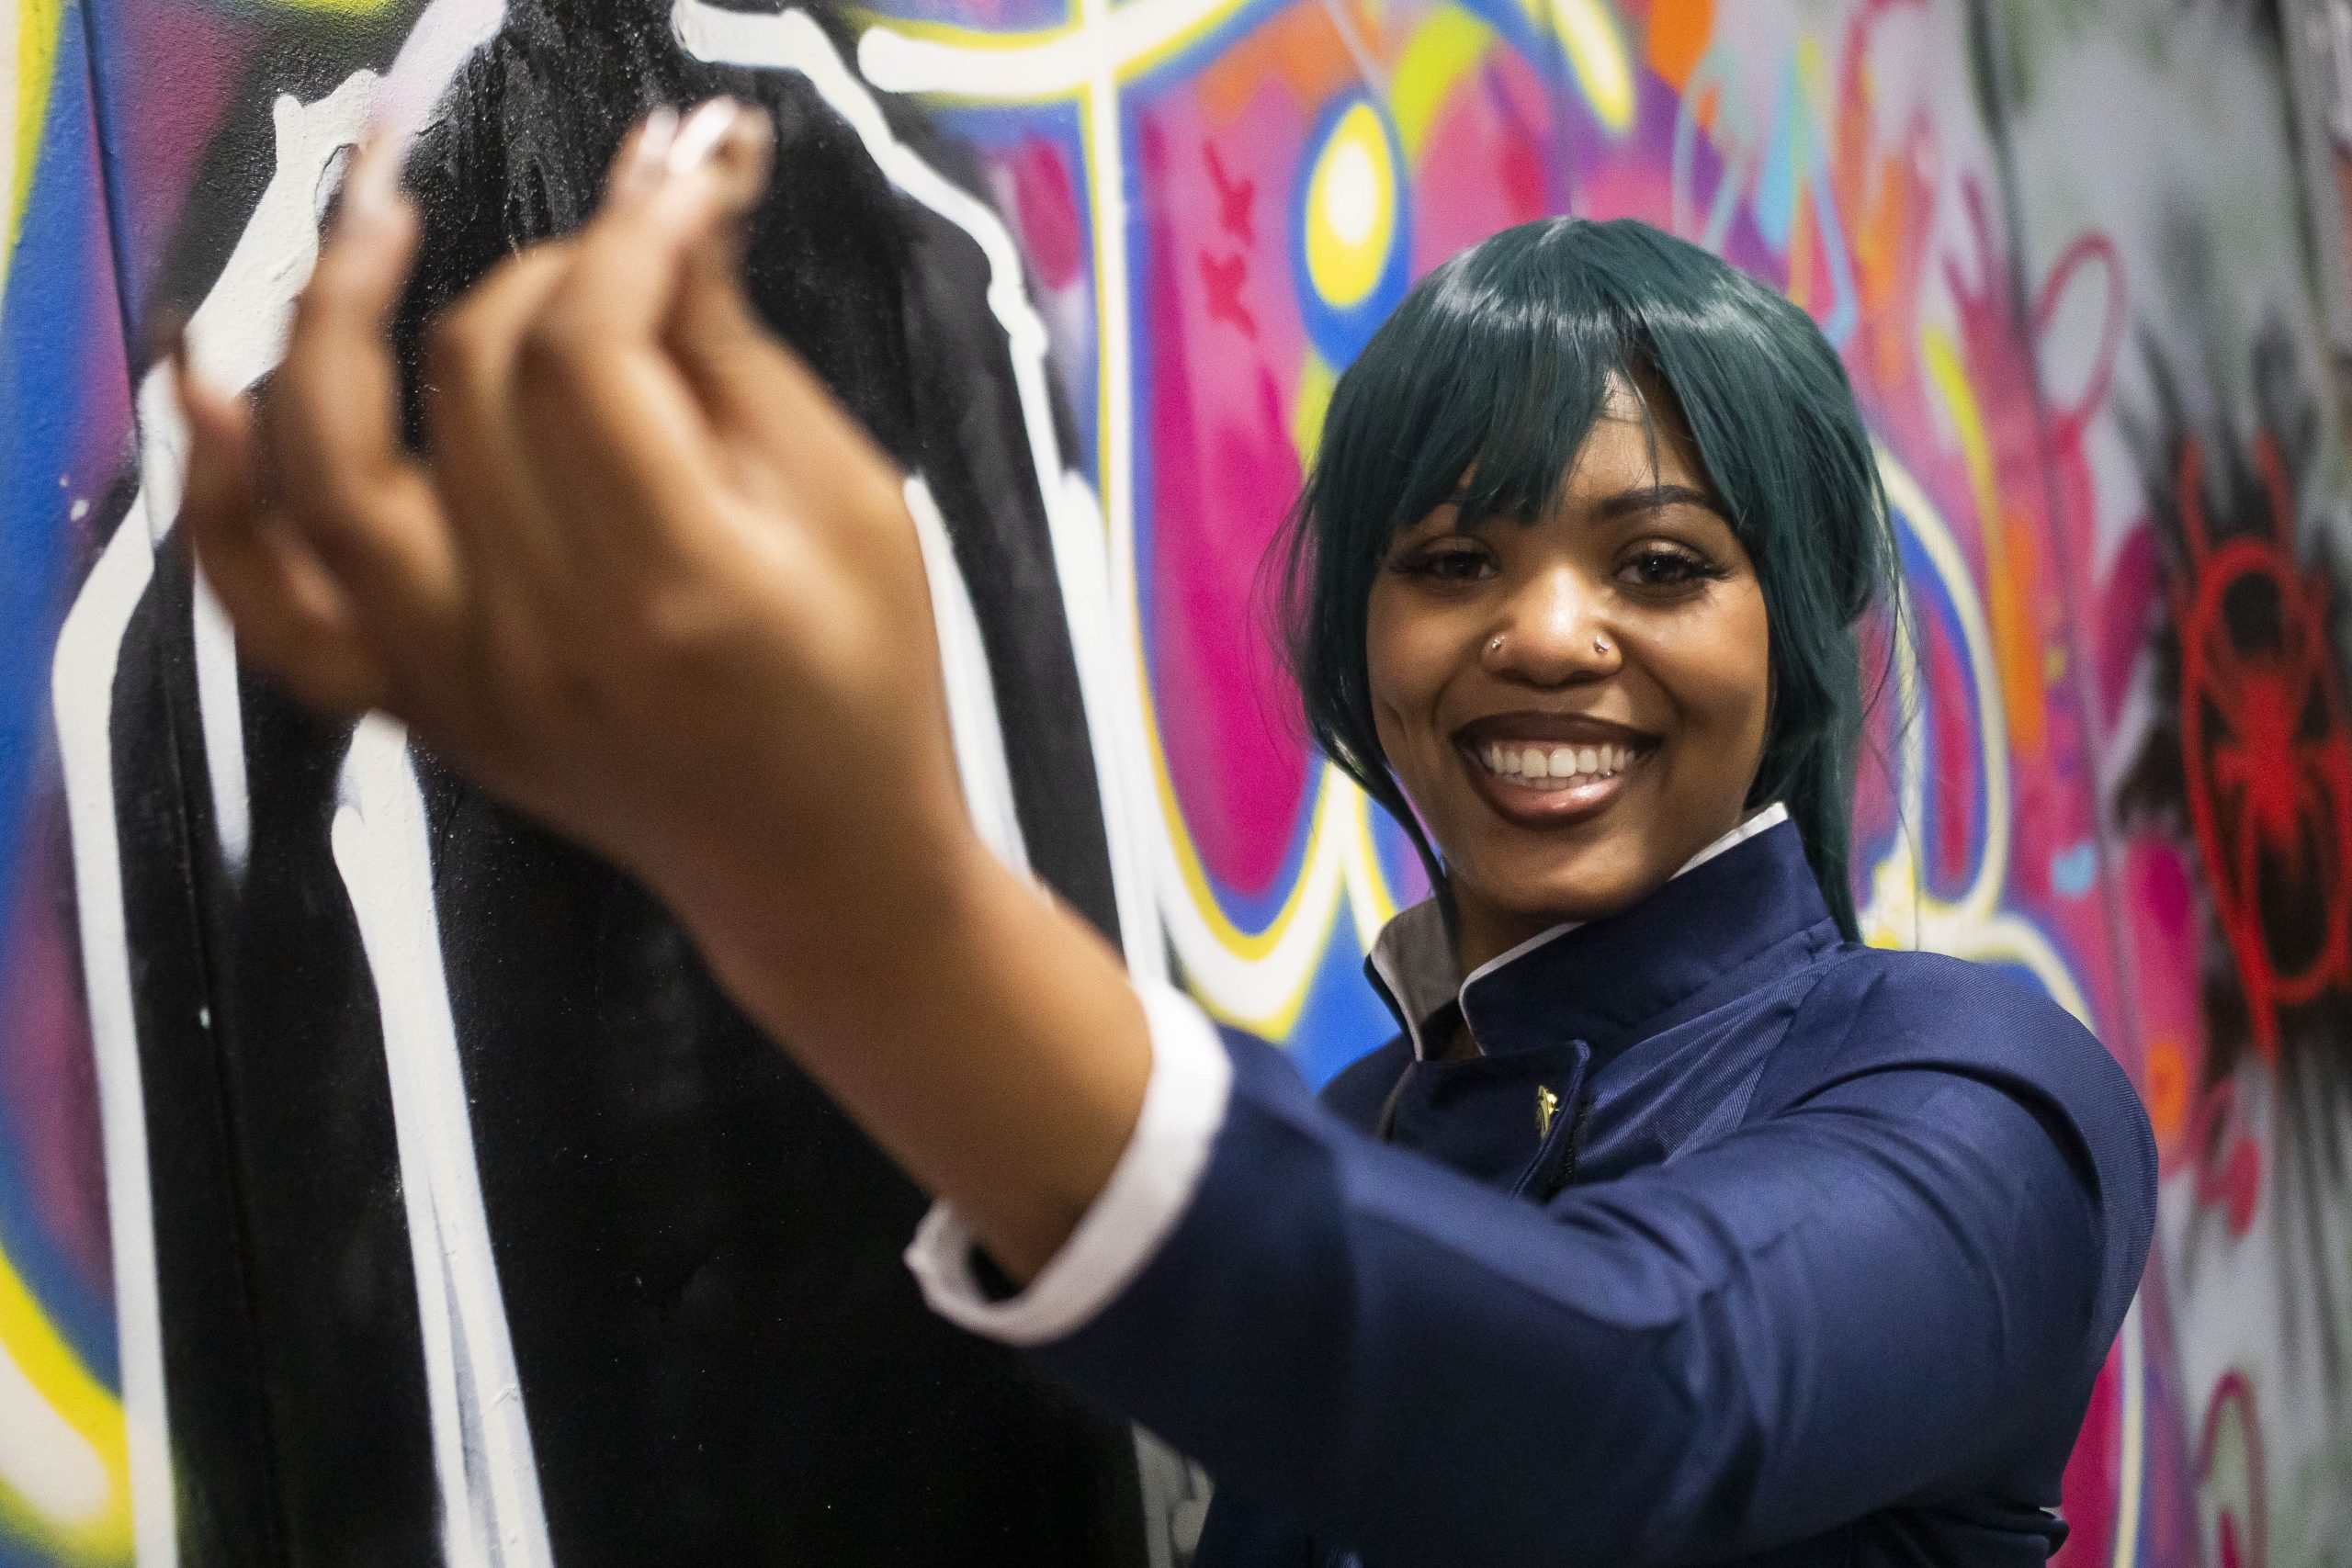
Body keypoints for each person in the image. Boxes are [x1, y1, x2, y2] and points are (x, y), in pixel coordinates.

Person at [176, 98, 2155, 1567]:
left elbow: (1634, 1402)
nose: (1544, 635)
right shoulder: (1371, 1108)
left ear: (1792, 634)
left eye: (1657, 561)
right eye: (1452, 555)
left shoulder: (1978, 1095)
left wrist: (867, 891)